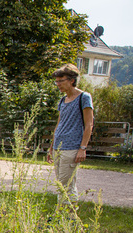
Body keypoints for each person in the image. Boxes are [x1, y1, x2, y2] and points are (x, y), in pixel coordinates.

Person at [47, 63, 93, 207]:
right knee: (61, 183)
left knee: (65, 185)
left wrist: (82, 148)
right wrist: (51, 147)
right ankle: (64, 217)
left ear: (72, 80)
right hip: (58, 147)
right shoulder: (63, 100)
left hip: (71, 148)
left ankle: (68, 217)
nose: (58, 84)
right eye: (56, 81)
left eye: (61, 81)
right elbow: (59, 124)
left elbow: (89, 124)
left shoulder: (84, 97)